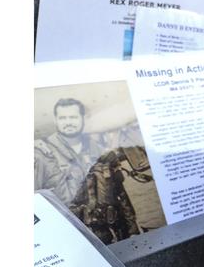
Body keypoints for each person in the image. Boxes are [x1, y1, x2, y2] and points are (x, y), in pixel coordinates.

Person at [34, 98, 141, 243]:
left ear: (83, 118)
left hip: (110, 234)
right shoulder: (42, 155)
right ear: (56, 120)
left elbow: (120, 193)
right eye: (63, 118)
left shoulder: (100, 150)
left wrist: (133, 229)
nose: (68, 122)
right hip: (71, 239)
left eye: (73, 117)